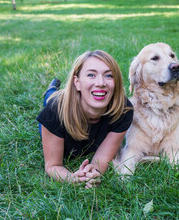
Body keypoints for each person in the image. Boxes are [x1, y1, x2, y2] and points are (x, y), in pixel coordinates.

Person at [37, 50, 133, 189]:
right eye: (91, 75)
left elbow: (102, 160)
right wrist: (72, 178)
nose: (100, 83)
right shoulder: (54, 112)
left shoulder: (124, 110)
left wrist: (92, 173)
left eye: (109, 75)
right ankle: (51, 89)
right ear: (77, 82)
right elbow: (53, 166)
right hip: (58, 109)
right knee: (51, 99)